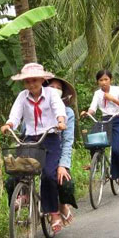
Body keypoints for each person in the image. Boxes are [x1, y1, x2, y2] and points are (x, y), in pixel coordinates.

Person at [1, 63, 67, 234]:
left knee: (48, 175)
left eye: (35, 80)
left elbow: (58, 108)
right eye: (28, 81)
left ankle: (53, 213)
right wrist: (9, 124)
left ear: (42, 80)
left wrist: (60, 121)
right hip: (30, 138)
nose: (32, 84)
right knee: (17, 169)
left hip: (50, 137)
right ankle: (23, 196)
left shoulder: (51, 94)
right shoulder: (23, 96)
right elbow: (15, 114)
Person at [81, 69, 119, 191]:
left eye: (106, 79)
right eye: (101, 80)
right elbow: (93, 108)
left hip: (117, 119)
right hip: (104, 120)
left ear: (110, 80)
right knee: (92, 140)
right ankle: (95, 164)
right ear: (98, 82)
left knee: (115, 150)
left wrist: (113, 99)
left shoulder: (117, 90)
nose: (103, 82)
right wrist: (87, 113)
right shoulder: (97, 93)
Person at [44, 76, 78, 226]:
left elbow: (67, 140)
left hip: (56, 149)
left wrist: (63, 164)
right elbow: (25, 131)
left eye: (59, 88)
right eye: (52, 87)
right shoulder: (36, 106)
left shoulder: (67, 112)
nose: (55, 90)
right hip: (37, 147)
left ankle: (61, 205)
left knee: (55, 176)